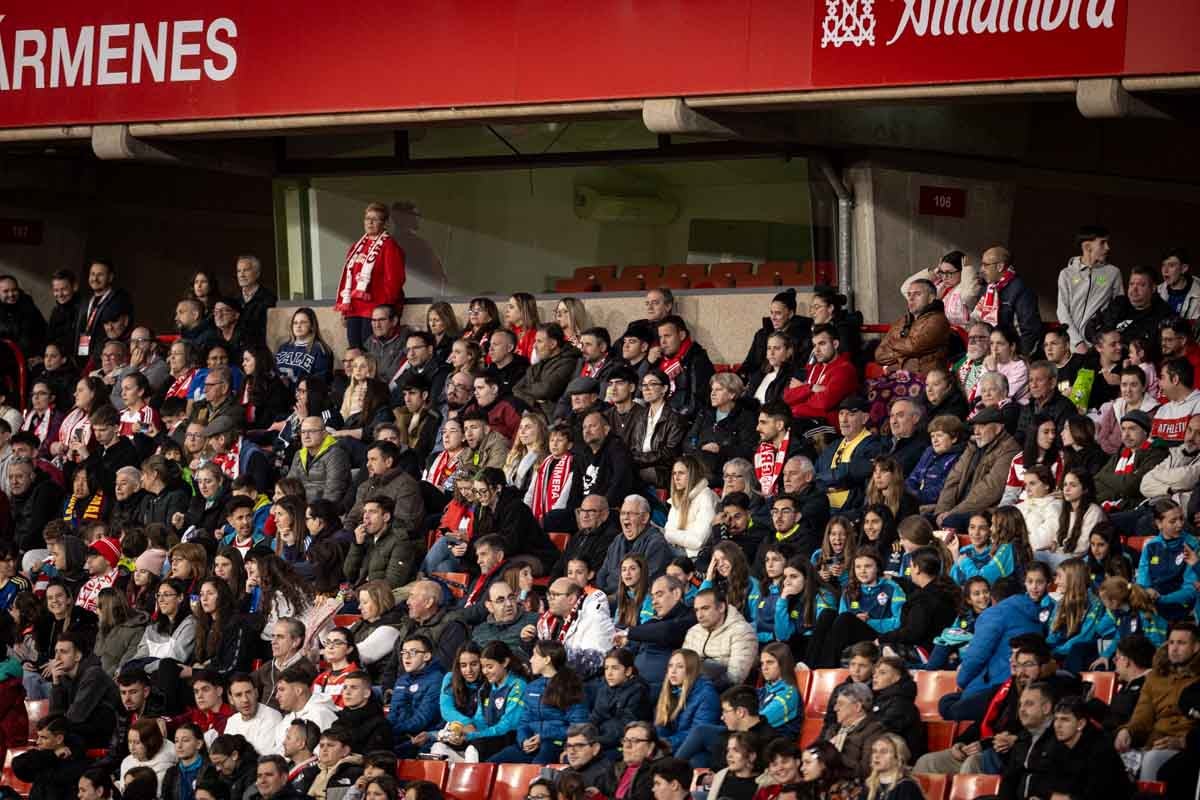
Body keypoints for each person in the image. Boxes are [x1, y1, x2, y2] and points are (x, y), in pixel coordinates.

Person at [1114, 621, 1200, 780]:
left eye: (1181, 643)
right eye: (1171, 642)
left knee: (1152, 759)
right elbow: (1142, 716)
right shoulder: (1155, 677)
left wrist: (1183, 741)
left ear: (1196, 647)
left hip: (1187, 746)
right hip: (1155, 742)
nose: (1174, 649)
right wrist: (1127, 731)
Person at [932, 407, 1021, 530]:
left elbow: (990, 489)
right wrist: (941, 511)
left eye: (982, 426)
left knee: (951, 522)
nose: (977, 432)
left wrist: (953, 513)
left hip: (984, 511)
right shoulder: (973, 446)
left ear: (998, 427)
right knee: (925, 519)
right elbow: (953, 479)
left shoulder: (1009, 449)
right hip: (957, 509)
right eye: (975, 427)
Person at [335, 203, 406, 350]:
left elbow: (395, 281)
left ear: (384, 223)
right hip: (354, 310)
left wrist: (386, 310)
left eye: (375, 219)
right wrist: (345, 310)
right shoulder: (356, 247)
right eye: (367, 218)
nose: (370, 222)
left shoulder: (389, 246)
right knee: (355, 352)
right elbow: (349, 281)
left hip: (374, 311)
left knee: (370, 354)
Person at [48, 629, 121, 747]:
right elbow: (54, 716)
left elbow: (76, 716)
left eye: (63, 652)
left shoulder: (94, 674)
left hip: (106, 738)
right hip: (80, 735)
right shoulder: (64, 676)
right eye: (56, 652)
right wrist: (56, 683)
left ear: (78, 656)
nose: (57, 658)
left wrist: (54, 729)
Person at [531, 578, 614, 679]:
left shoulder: (595, 619)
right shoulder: (549, 622)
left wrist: (554, 664)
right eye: (549, 594)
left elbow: (594, 661)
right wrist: (527, 642)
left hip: (581, 684)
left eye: (555, 595)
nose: (549, 598)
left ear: (571, 599)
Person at [1058, 225, 1121, 352]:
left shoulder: (1113, 273)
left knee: (1092, 373)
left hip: (1098, 348)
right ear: (1087, 247)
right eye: (1102, 243)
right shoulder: (1067, 274)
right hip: (1072, 347)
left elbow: (1119, 307)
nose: (1108, 247)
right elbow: (1062, 311)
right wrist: (1077, 342)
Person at [782, 325, 858, 428]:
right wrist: (811, 388)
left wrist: (802, 391)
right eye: (814, 345)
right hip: (804, 420)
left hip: (828, 426)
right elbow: (787, 397)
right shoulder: (814, 367)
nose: (816, 350)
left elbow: (824, 403)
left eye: (822, 344)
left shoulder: (844, 369)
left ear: (835, 344)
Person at [815, 396, 882, 512]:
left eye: (851, 414)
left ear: (864, 418)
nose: (844, 420)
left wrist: (824, 477)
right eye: (841, 414)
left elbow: (852, 473)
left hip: (850, 508)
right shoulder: (833, 446)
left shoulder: (873, 445)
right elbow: (815, 475)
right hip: (823, 504)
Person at [971, 246, 1042, 354]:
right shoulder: (988, 288)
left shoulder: (1021, 290)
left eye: (985, 265)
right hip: (988, 351)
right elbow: (976, 320)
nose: (981, 269)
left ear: (1000, 266)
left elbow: (1030, 330)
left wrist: (1019, 358)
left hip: (1010, 354)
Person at [596, 496, 672, 596]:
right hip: (607, 597)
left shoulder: (657, 543)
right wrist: (600, 595)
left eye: (631, 513)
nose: (625, 517)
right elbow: (602, 573)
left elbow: (647, 582)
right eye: (623, 513)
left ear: (645, 518)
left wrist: (612, 599)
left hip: (633, 599)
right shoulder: (617, 540)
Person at [682, 589, 758, 687]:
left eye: (705, 608)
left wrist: (702, 689)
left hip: (727, 693)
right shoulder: (694, 631)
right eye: (696, 610)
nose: (699, 615)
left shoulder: (742, 631)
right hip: (693, 687)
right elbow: (683, 665)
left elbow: (735, 678)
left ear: (721, 607)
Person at [874, 278, 951, 374]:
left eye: (917, 294)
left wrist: (892, 344)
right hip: (903, 377)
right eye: (909, 294)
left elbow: (913, 347)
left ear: (931, 298)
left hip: (927, 379)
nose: (911, 298)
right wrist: (905, 360)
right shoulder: (902, 321)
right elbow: (879, 355)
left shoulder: (938, 320)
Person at [1086, 265, 1171, 348]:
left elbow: (1149, 346)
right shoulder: (1119, 303)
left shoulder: (1163, 314)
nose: (1134, 289)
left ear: (1153, 288)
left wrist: (1114, 344)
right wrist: (1103, 342)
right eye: (1131, 284)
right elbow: (1090, 328)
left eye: (1141, 285)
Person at [514, 323, 582, 418]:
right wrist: (534, 401)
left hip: (552, 417)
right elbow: (516, 389)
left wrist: (527, 390)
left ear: (553, 344)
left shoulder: (568, 362)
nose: (534, 346)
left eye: (539, 341)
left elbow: (545, 390)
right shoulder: (538, 364)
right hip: (535, 412)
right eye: (535, 341)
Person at [74, 259, 134, 364]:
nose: (95, 279)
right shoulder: (86, 301)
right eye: (92, 274)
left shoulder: (118, 299)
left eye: (100, 275)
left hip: (104, 359)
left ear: (110, 277)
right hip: (83, 356)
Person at [287, 417, 350, 508]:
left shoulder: (336, 454)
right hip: (300, 510)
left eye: (311, 431)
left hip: (322, 512)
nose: (306, 436)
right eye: (303, 432)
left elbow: (333, 492)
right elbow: (289, 486)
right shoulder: (299, 455)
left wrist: (313, 513)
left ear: (324, 434)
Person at [863, 734, 923, 800]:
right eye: (874, 751)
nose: (876, 756)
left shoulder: (906, 787)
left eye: (883, 752)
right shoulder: (869, 784)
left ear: (898, 758)